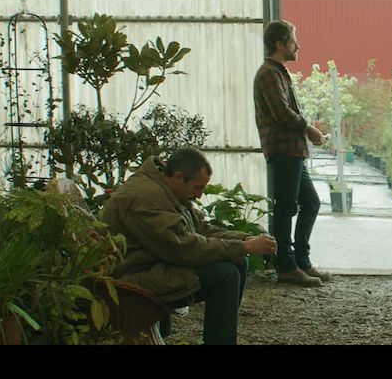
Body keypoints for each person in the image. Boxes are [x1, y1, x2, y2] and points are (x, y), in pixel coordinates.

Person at [101, 147, 277, 345]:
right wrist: (243, 247)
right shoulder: (145, 197)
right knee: (225, 274)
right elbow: (183, 249)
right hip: (130, 275)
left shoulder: (165, 188)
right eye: (197, 188)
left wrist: (244, 239)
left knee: (238, 262)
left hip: (154, 263)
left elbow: (200, 229)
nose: (200, 195)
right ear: (178, 177)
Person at [253, 19, 331, 287]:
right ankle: (287, 266)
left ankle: (301, 262)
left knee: (310, 203)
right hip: (283, 150)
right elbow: (282, 113)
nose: (298, 46)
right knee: (285, 207)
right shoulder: (268, 74)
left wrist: (307, 132)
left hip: (293, 151)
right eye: (293, 40)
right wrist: (309, 128)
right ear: (280, 44)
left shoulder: (277, 72)